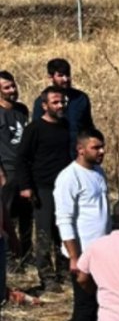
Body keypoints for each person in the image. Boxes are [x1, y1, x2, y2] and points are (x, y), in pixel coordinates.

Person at [55, 128, 110, 321]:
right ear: (80, 149)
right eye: (96, 147)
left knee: (100, 303)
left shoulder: (98, 172)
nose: (101, 151)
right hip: (83, 253)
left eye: (102, 146)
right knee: (85, 305)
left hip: (102, 251)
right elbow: (64, 219)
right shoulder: (69, 177)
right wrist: (74, 257)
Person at [16, 86, 73, 290]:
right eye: (55, 102)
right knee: (44, 232)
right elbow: (22, 159)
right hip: (43, 187)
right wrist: (26, 186)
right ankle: (47, 276)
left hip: (64, 188)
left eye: (62, 102)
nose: (60, 106)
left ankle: (64, 271)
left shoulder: (65, 126)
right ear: (44, 105)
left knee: (63, 230)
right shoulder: (35, 128)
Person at [0, 71, 31, 266]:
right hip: (7, 167)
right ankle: (9, 257)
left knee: (27, 212)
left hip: (24, 168)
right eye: (7, 88)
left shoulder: (21, 109)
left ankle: (26, 254)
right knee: (7, 213)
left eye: (13, 86)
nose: (12, 90)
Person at [32, 58, 93, 158]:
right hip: (54, 157)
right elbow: (37, 133)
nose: (65, 79)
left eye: (67, 74)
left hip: (79, 156)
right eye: (60, 75)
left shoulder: (80, 98)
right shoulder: (42, 102)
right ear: (51, 77)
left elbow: (88, 127)